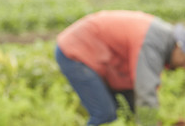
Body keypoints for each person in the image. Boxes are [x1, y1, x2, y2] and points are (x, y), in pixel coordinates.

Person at [55, 10, 185, 126]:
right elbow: (146, 90)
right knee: (105, 115)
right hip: (77, 51)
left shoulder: (161, 39)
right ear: (179, 48)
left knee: (129, 109)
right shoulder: (152, 43)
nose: (183, 67)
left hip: (101, 56)